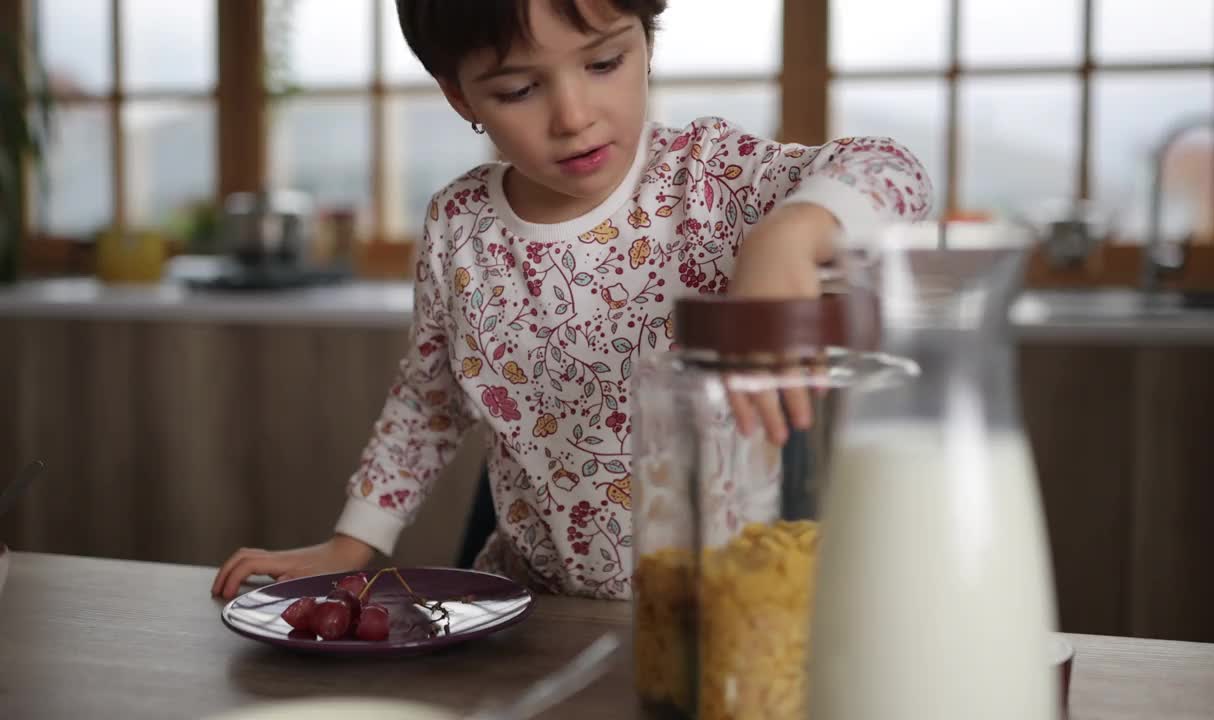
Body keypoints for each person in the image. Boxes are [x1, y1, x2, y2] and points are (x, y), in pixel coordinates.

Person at [211, 0, 933, 600]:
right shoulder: (457, 227)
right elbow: (429, 401)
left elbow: (895, 170)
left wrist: (792, 236)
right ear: (459, 94)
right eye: (520, 89)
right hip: (536, 610)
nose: (573, 115)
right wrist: (351, 541)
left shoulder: (714, 179)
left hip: (726, 606)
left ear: (646, 41)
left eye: (603, 63)